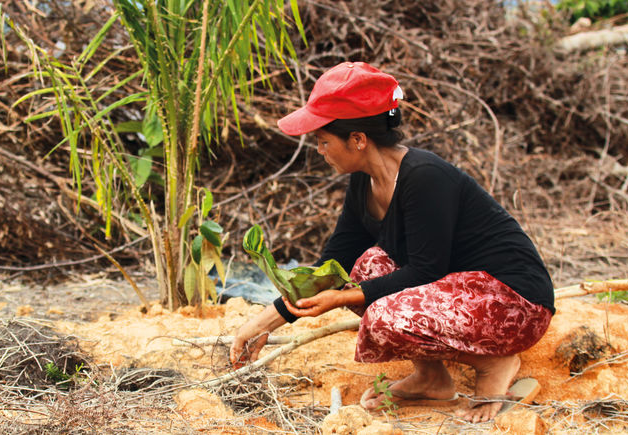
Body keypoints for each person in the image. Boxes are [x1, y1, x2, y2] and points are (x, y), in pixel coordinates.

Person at [229, 62, 554, 423]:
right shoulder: (363, 182)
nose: (320, 150)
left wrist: (342, 298)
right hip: (457, 290)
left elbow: (425, 270)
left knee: (382, 315)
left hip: (515, 302)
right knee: (365, 266)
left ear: (358, 139)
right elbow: (331, 265)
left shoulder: (424, 177)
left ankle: (493, 362)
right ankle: (432, 378)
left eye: (323, 140)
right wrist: (263, 323)